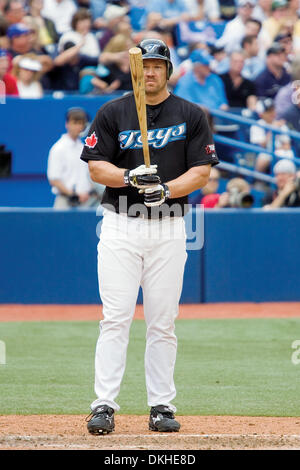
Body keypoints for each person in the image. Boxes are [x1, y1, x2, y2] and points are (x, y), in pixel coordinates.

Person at [80, 38, 219, 434]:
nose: (152, 71)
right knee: (116, 317)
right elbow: (95, 166)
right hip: (121, 223)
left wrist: (167, 189)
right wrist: (127, 176)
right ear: (136, 70)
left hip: (170, 224)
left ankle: (161, 405)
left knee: (162, 321)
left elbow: (202, 171)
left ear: (168, 70)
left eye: (159, 65)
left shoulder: (191, 114)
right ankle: (104, 404)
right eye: (146, 65)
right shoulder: (113, 112)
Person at [47, 107, 94, 209]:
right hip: (65, 202)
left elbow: (88, 175)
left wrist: (87, 193)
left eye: (81, 123)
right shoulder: (58, 148)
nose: (78, 127)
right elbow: (54, 179)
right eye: (75, 123)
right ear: (67, 124)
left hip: (86, 203)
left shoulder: (82, 147)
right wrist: (73, 194)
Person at [250, 97, 294, 173]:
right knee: (264, 156)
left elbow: (287, 146)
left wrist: (276, 149)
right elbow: (261, 146)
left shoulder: (281, 125)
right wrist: (272, 130)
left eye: (273, 110)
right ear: (261, 114)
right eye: (268, 111)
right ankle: (258, 180)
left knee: (288, 154)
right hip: (263, 153)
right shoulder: (256, 125)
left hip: (279, 152)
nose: (272, 113)